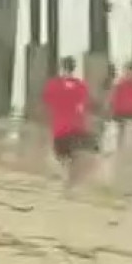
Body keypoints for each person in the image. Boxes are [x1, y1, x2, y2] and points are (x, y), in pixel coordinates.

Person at [42, 56, 96, 189]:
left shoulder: (53, 85)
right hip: (79, 129)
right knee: (79, 159)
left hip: (60, 130)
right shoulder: (81, 86)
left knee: (62, 159)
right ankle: (73, 184)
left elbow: (46, 104)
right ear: (74, 68)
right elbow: (85, 106)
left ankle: (66, 184)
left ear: (62, 67)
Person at [109, 62, 132, 150]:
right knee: (120, 133)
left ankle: (126, 151)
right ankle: (121, 149)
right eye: (128, 72)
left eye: (131, 73)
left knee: (128, 134)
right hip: (120, 113)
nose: (129, 75)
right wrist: (113, 111)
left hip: (131, 113)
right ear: (125, 72)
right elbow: (113, 98)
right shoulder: (119, 83)